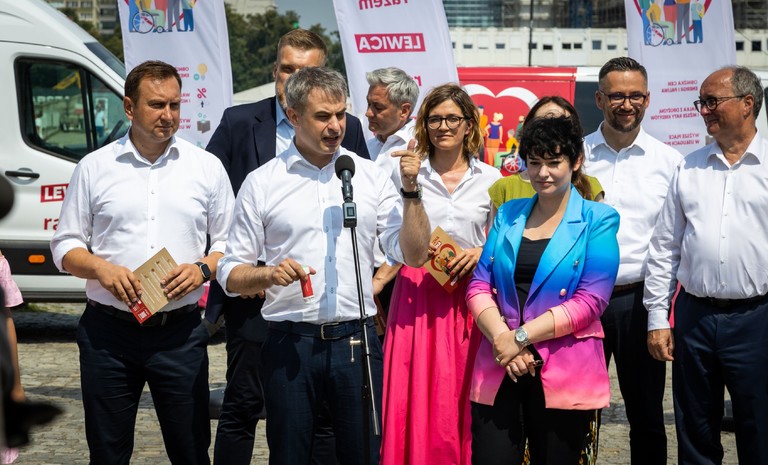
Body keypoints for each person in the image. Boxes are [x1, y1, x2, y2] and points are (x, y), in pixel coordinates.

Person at [217, 66, 430, 465]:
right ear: (294, 116)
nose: (335, 126)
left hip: (357, 342)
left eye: (340, 114)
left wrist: (412, 192)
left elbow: (415, 255)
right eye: (322, 116)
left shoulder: (368, 176)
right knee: (291, 456)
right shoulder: (263, 182)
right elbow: (229, 272)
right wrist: (267, 274)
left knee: (363, 455)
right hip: (290, 346)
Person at [50, 60, 235, 465]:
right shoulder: (95, 167)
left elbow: (231, 244)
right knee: (108, 454)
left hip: (180, 334)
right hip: (108, 335)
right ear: (129, 107)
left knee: (190, 451)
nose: (168, 115)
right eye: (156, 105)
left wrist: (202, 269)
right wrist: (101, 269)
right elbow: (65, 245)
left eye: (174, 104)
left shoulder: (205, 167)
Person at [205, 28, 370, 465]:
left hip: (323, 301)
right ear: (274, 70)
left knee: (323, 420)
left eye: (307, 70)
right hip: (254, 295)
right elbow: (213, 194)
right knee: (244, 402)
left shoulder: (346, 127)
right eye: (287, 69)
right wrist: (251, 272)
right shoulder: (240, 121)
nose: (294, 78)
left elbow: (359, 198)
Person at [468, 115, 620, 464]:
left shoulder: (599, 219)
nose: (542, 173)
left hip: (564, 365)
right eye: (534, 162)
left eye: (554, 162)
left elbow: (591, 301)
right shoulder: (508, 214)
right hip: (501, 362)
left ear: (575, 162)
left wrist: (520, 337)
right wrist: (503, 339)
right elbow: (479, 285)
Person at [645, 66, 768, 465]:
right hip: (694, 318)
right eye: (701, 102)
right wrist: (658, 318)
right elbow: (665, 247)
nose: (703, 110)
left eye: (712, 101)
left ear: (747, 104)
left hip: (757, 319)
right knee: (695, 429)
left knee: (760, 428)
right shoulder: (689, 167)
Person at [380, 84, 501, 465]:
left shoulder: (492, 179)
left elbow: (505, 241)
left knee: (464, 396)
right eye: (434, 119)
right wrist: (410, 187)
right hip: (417, 296)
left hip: (472, 297)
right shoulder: (402, 173)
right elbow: (395, 246)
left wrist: (480, 252)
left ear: (469, 125)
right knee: (414, 397)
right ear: (424, 125)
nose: (443, 126)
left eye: (452, 118)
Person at [582, 57, 683, 465]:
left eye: (636, 95)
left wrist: (661, 314)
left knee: (646, 415)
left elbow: (671, 242)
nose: (627, 104)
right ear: (599, 99)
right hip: (579, 300)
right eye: (617, 96)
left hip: (638, 302)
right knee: (575, 411)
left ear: (648, 99)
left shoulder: (669, 162)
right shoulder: (576, 156)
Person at [363, 67, 419, 333]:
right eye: (368, 104)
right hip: (368, 271)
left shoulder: (419, 148)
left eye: (377, 107)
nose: (368, 113)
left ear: (404, 110)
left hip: (400, 277)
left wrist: (384, 275)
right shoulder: (368, 147)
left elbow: (419, 219)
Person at [488, 96, 604, 213]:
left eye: (561, 126)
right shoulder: (504, 188)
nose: (549, 132)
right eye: (541, 125)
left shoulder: (590, 187)